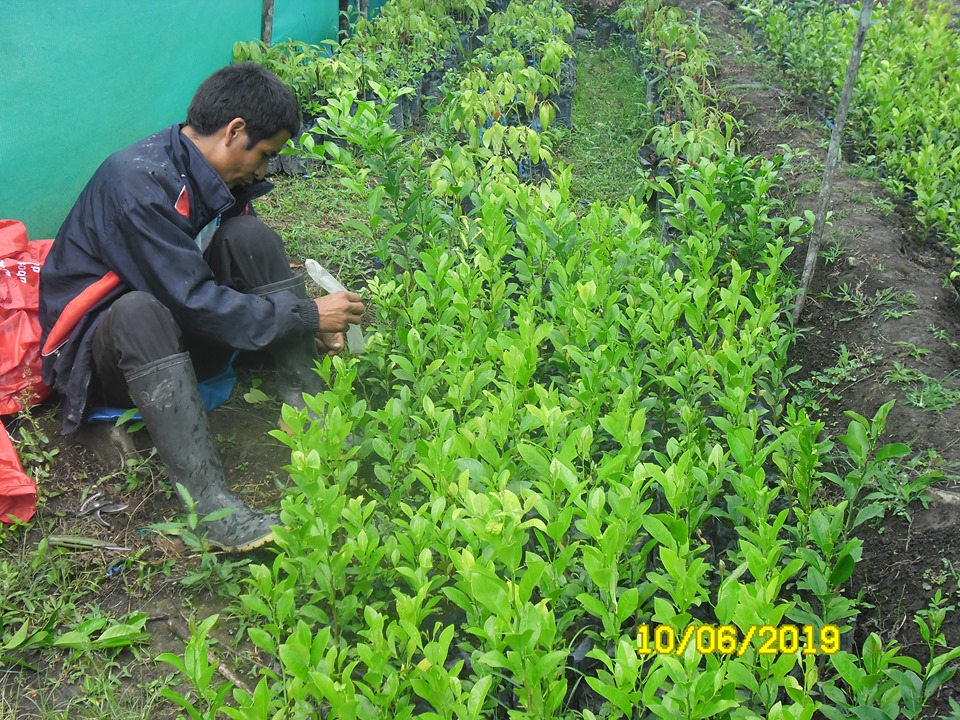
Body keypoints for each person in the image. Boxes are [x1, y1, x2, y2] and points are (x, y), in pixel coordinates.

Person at [38, 63, 364, 552]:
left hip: (177, 325)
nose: (263, 171)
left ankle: (305, 408)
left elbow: (214, 278)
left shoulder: (208, 173)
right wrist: (307, 315)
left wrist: (302, 320)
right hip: (105, 359)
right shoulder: (136, 185)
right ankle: (212, 507)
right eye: (265, 155)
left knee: (249, 236)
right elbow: (192, 303)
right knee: (138, 310)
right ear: (235, 131)